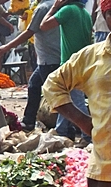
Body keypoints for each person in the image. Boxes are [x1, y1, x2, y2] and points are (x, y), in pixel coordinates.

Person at [44, 0, 111, 187]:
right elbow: (52, 85)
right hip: (106, 168)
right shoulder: (90, 57)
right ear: (104, 17)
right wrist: (82, 121)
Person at [0, 0, 59, 132]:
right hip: (53, 57)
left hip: (49, 59)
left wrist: (6, 47)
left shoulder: (42, 8)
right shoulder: (57, 5)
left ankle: (63, 126)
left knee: (55, 94)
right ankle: (29, 121)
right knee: (34, 85)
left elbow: (29, 32)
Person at [40, 0, 92, 140]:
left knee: (76, 100)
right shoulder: (85, 13)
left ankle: (88, 137)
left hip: (70, 62)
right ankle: (61, 131)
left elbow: (44, 25)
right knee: (66, 98)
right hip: (83, 62)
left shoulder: (67, 10)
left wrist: (54, 7)